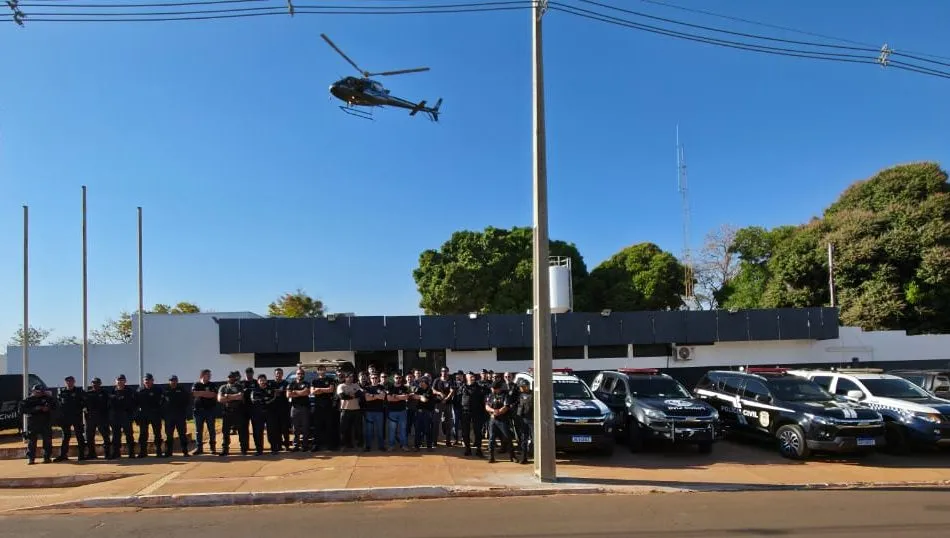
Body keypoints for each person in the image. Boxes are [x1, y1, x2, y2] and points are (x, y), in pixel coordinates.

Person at [21, 384, 55, 465]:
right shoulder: (29, 399)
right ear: (33, 391)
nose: (39, 393)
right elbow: (22, 410)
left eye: (41, 392)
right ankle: (31, 459)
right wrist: (35, 409)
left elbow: (55, 406)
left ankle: (47, 457)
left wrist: (48, 408)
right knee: (32, 442)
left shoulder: (47, 398)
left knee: (47, 441)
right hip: (33, 423)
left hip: (45, 422)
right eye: (37, 392)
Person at [54, 375, 86, 462]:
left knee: (79, 436)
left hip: (76, 417)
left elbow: (85, 402)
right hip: (65, 418)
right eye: (67, 381)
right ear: (65, 382)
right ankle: (63, 455)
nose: (69, 382)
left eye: (71, 381)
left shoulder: (79, 391)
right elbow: (59, 405)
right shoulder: (61, 392)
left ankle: (82, 455)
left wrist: (82, 408)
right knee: (65, 436)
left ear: (74, 382)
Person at [217, 371, 248, 456]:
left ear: (235, 378)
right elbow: (220, 399)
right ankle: (225, 449)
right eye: (229, 377)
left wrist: (227, 396)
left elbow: (240, 397)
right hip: (227, 412)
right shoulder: (223, 387)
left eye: (232, 377)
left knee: (241, 431)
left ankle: (243, 449)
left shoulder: (239, 386)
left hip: (238, 411)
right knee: (225, 432)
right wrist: (234, 396)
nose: (231, 378)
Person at [456, 371, 486, 458]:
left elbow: (482, 401)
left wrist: (482, 412)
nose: (472, 378)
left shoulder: (479, 388)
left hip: (477, 412)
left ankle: (479, 449)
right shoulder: (462, 387)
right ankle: (467, 449)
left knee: (478, 431)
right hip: (465, 412)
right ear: (466, 377)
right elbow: (457, 400)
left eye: (473, 376)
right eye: (470, 376)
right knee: (465, 431)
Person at [485, 380, 515, 463]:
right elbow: (487, 406)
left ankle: (512, 456)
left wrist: (497, 412)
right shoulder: (491, 395)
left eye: (494, 388)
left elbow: (506, 407)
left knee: (507, 437)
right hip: (493, 420)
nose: (492, 390)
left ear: (498, 389)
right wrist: (493, 411)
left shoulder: (505, 395)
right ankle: (491, 457)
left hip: (502, 419)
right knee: (491, 438)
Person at [136, 373, 164, 458]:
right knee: (143, 433)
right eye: (146, 380)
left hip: (155, 413)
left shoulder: (158, 390)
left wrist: (160, 411)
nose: (147, 382)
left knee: (157, 433)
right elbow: (136, 404)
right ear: (144, 381)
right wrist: (137, 416)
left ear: (153, 380)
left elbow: (163, 401)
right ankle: (143, 452)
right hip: (144, 414)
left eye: (149, 380)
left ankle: (158, 451)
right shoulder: (140, 390)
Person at [190, 369, 218, 455]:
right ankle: (199, 448)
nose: (210, 376)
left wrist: (201, 393)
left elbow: (213, 395)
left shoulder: (212, 385)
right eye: (208, 375)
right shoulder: (196, 384)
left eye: (210, 375)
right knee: (198, 430)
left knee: (211, 430)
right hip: (198, 411)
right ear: (202, 375)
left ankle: (212, 448)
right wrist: (206, 393)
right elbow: (194, 394)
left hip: (210, 410)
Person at [162, 375, 191, 457]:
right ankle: (169, 451)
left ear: (177, 381)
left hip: (180, 415)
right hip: (169, 416)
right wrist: (163, 415)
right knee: (169, 434)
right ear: (169, 381)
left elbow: (187, 402)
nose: (173, 382)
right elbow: (161, 404)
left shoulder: (182, 390)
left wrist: (187, 414)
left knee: (182, 434)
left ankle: (185, 451)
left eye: (175, 380)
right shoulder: (165, 391)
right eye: (172, 380)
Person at [108, 374, 136, 459]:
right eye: (118, 380)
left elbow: (135, 403)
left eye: (122, 380)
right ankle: (116, 453)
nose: (120, 382)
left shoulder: (130, 391)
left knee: (129, 435)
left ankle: (131, 453)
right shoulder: (111, 391)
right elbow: (108, 405)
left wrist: (132, 414)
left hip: (126, 416)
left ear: (125, 381)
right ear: (115, 381)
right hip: (115, 417)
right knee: (116, 436)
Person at [83, 377, 110, 460]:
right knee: (89, 436)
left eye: (97, 383)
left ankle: (107, 453)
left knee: (105, 436)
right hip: (91, 418)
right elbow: (83, 405)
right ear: (91, 384)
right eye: (94, 383)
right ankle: (92, 454)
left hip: (102, 418)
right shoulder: (88, 393)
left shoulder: (105, 393)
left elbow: (109, 404)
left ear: (100, 384)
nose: (95, 384)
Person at [249, 373, 276, 456]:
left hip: (269, 413)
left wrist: (262, 400)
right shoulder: (254, 390)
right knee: (258, 432)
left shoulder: (271, 389)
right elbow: (253, 400)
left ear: (266, 380)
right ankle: (259, 450)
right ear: (258, 381)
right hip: (258, 414)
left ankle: (274, 449)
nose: (262, 382)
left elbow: (272, 398)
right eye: (261, 380)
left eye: (264, 380)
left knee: (271, 431)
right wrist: (265, 399)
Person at [287, 369, 311, 452]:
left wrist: (295, 392)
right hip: (295, 408)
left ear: (304, 375)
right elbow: (288, 394)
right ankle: (296, 445)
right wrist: (301, 392)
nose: (300, 375)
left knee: (305, 428)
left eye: (301, 374)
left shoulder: (307, 383)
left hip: (305, 408)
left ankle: (305, 446)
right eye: (298, 374)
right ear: (296, 375)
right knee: (295, 428)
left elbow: (307, 392)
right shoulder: (291, 383)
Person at [337, 372, 362, 450]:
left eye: (352, 377)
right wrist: (353, 395)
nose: (351, 378)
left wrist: (349, 395)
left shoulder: (356, 385)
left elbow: (360, 394)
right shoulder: (341, 386)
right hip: (345, 410)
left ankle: (359, 444)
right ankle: (346, 445)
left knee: (358, 429)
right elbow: (342, 396)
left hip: (356, 410)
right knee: (345, 429)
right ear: (345, 378)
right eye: (349, 377)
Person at [412, 377, 435, 451]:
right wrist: (420, 396)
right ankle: (417, 446)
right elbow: (414, 396)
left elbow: (424, 400)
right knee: (418, 430)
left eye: (422, 382)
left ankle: (429, 446)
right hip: (419, 412)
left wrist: (419, 396)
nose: (420, 383)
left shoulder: (429, 390)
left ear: (425, 383)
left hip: (427, 412)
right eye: (420, 382)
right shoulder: (419, 389)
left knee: (428, 430)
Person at [515, 379, 534, 464]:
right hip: (523, 420)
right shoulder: (520, 395)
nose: (520, 388)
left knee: (534, 439)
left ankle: (535, 455)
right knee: (523, 439)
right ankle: (524, 457)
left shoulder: (533, 394)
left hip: (532, 420)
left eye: (522, 387)